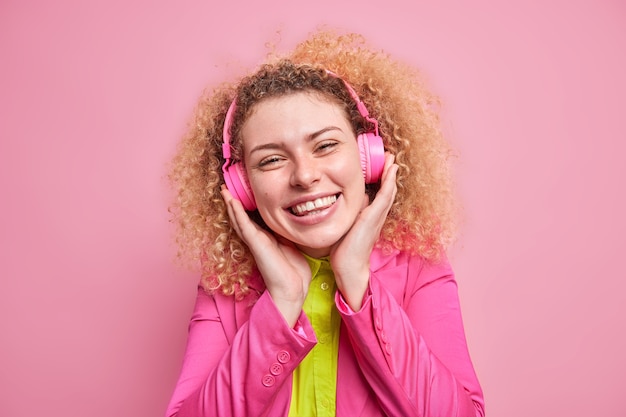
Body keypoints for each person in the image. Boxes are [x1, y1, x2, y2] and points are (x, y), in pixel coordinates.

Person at [165, 30, 485, 417]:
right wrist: (282, 301)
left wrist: (357, 281)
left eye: (326, 146)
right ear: (242, 186)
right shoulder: (225, 282)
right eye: (271, 160)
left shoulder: (418, 265)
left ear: (369, 155)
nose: (304, 176)